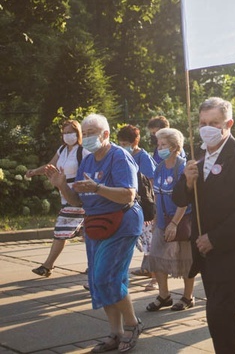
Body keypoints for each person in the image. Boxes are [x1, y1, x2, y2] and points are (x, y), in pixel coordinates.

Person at [172, 97, 235, 354]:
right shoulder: (198, 158)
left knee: (218, 314)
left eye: (214, 123)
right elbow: (179, 198)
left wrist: (214, 238)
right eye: (203, 123)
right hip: (207, 255)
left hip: (234, 252)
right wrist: (188, 182)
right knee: (231, 312)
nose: (207, 128)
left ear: (229, 123)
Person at [47, 114, 144, 353]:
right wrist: (62, 185)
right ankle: (115, 333)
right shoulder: (88, 161)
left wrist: (98, 188)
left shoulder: (119, 156)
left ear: (106, 134)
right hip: (96, 224)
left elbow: (128, 194)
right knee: (98, 282)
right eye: (86, 132)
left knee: (106, 278)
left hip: (122, 222)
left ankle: (133, 325)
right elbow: (77, 199)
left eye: (92, 132)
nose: (88, 137)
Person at [26, 119, 90, 278]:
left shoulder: (83, 151)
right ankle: (93, 265)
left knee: (63, 230)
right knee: (84, 233)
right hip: (64, 194)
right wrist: (34, 172)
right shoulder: (62, 150)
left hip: (78, 196)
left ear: (78, 133)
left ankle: (47, 265)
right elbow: (50, 166)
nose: (68, 135)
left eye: (71, 132)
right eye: (65, 132)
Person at [144, 128, 195, 313]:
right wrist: (156, 219)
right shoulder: (159, 167)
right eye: (158, 145)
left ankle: (188, 297)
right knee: (157, 258)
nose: (159, 148)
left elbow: (185, 199)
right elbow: (156, 194)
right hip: (162, 221)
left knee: (185, 260)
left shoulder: (182, 167)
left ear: (175, 147)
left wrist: (174, 223)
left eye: (163, 145)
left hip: (180, 221)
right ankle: (164, 296)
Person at [117, 125, 158, 291]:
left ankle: (155, 280)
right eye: (120, 142)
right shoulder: (120, 156)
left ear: (135, 141)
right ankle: (117, 277)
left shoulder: (143, 157)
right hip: (127, 206)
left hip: (144, 206)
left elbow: (152, 184)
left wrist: (154, 212)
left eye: (126, 142)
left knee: (150, 245)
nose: (123, 145)